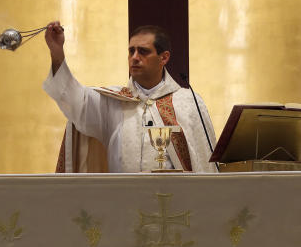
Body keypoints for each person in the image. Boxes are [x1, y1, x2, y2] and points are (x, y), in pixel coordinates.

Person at [43, 21, 218, 173]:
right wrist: (57, 53)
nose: (134, 58)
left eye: (143, 51)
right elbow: (74, 100)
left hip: (175, 202)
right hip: (124, 201)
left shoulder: (188, 102)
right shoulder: (114, 101)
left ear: (164, 57)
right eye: (131, 51)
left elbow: (202, 161)